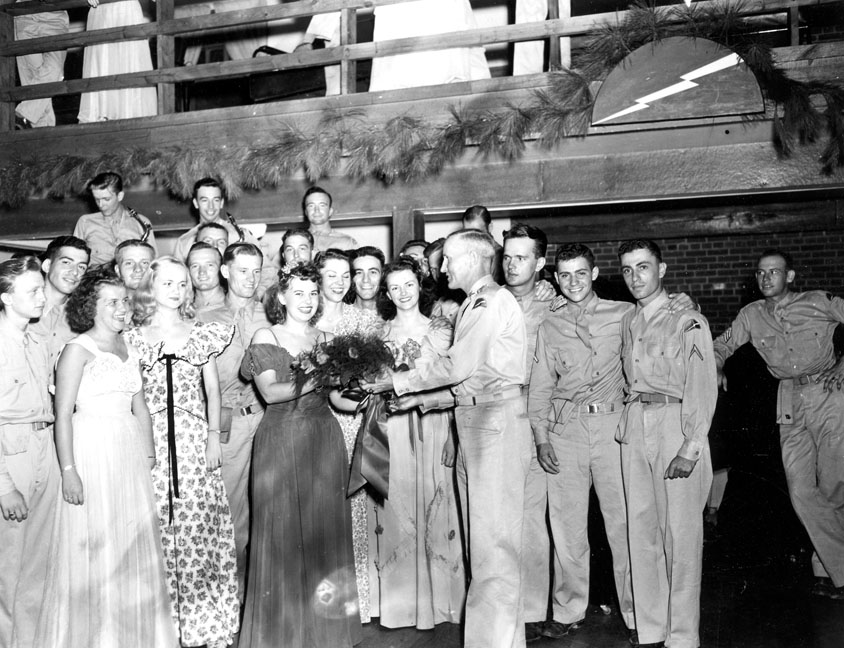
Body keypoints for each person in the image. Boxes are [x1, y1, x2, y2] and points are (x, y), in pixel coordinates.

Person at [367, 229, 533, 648]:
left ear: (476, 259)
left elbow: (457, 366)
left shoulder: (487, 301)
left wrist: (395, 382)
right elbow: (474, 379)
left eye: (449, 260)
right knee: (487, 546)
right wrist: (421, 403)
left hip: (492, 423)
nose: (442, 269)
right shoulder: (474, 305)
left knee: (493, 548)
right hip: (478, 417)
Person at [34, 266, 177, 648]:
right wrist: (69, 471)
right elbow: (63, 414)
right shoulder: (77, 349)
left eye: (124, 300)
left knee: (128, 545)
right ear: (90, 306)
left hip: (127, 453)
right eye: (111, 302)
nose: (121, 308)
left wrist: (148, 455)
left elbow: (141, 407)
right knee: (95, 546)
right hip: (90, 448)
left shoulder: (129, 346)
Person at [239, 262, 361, 648]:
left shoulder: (327, 337)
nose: (307, 301)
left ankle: (324, 634)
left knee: (323, 533)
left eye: (313, 293)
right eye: (299, 293)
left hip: (322, 440)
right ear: (281, 297)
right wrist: (316, 370)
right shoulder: (266, 334)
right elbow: (272, 393)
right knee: (280, 537)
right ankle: (283, 636)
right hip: (279, 440)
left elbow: (338, 399)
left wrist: (367, 394)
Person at [712, 249, 844, 599]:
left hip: (828, 394)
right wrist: (718, 365)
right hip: (788, 400)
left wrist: (843, 367)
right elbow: (719, 346)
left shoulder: (818, 302)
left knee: (833, 488)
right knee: (801, 490)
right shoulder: (751, 315)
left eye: (774, 272)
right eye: (761, 273)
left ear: (790, 276)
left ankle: (826, 571)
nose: (766, 278)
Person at [126, 257, 239, 648]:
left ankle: (205, 626)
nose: (176, 290)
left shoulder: (202, 332)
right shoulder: (133, 336)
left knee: (196, 526)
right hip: (151, 439)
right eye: (167, 283)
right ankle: (162, 629)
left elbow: (212, 391)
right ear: (150, 288)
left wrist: (212, 438)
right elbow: (133, 396)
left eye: (181, 284)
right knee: (156, 526)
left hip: (193, 440)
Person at [527, 243, 636, 643]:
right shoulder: (549, 325)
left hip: (613, 428)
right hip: (565, 431)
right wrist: (541, 438)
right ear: (555, 278)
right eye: (564, 275)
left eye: (580, 273)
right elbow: (539, 388)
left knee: (623, 525)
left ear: (594, 274)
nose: (572, 282)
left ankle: (636, 611)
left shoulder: (624, 314)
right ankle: (569, 608)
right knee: (567, 526)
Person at [617, 239, 716, 648]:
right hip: (636, 422)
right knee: (642, 532)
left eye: (643, 267)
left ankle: (681, 636)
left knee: (682, 537)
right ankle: (651, 628)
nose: (635, 277)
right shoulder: (630, 320)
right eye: (627, 269)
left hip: (677, 423)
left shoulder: (688, 320)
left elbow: (702, 385)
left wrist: (690, 448)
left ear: (662, 270)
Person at [366, 258, 465, 629]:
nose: (403, 293)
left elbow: (454, 383)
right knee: (399, 507)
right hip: (393, 427)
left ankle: (441, 604)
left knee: (438, 507)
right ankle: (403, 607)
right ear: (387, 293)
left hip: (434, 422)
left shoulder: (441, 330)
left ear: (419, 285)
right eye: (395, 287)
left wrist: (454, 434)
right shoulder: (378, 334)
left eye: (409, 284)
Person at [197, 243, 269, 602]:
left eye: (257, 271)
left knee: (269, 507)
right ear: (225, 271)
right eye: (243, 270)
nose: (250, 278)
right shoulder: (204, 320)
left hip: (269, 420)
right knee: (230, 510)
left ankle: (261, 596)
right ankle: (229, 595)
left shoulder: (272, 315)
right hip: (228, 426)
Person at [314, 248, 378, 623]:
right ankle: (322, 603)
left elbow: (371, 375)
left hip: (353, 419)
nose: (339, 283)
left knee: (353, 508)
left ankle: (357, 605)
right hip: (315, 420)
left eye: (345, 275)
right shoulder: (306, 314)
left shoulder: (361, 319)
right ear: (317, 278)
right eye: (331, 275)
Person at [0, 257, 57, 648]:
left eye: (41, 288)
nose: (42, 297)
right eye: (32, 290)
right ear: (6, 297)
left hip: (45, 450)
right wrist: (3, 486)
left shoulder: (38, 342)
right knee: (9, 569)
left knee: (39, 565)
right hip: (11, 455)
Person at [500, 224, 553, 641]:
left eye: (522, 257)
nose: (512, 264)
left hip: (535, 412)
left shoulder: (552, 304)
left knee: (533, 518)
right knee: (498, 517)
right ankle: (504, 606)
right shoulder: (489, 301)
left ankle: (533, 611)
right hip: (493, 413)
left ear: (540, 262)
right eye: (508, 256)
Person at [78, 0, 157, 122]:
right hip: (101, 11)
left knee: (130, 58)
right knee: (101, 60)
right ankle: (101, 115)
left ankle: (132, 116)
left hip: (126, 10)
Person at [30, 236, 91, 371]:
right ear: (47, 266)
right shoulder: (19, 309)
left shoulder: (83, 319)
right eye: (66, 262)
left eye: (81, 267)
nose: (75, 272)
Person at [73, 172, 157, 266]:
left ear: (120, 196)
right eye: (97, 199)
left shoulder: (141, 222)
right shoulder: (85, 222)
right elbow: (74, 259)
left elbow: (153, 261)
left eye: (106, 199)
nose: (101, 205)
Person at [175, 178, 260, 262]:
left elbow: (266, 270)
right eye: (204, 200)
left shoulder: (241, 235)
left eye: (216, 200)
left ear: (221, 203)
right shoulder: (184, 242)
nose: (211, 206)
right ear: (196, 203)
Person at [13, 3, 68, 128]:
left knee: (55, 70)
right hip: (25, 15)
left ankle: (22, 114)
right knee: (33, 78)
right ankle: (45, 138)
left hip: (55, 17)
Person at [303, 186, 358, 252]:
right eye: (311, 206)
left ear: (330, 211)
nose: (316, 210)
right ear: (306, 212)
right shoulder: (296, 240)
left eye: (322, 205)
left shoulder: (347, 242)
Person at [114, 238, 155, 317]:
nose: (138, 269)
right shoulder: (110, 309)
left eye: (145, 263)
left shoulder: (167, 304)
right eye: (129, 263)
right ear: (118, 270)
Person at [462, 205, 503, 283]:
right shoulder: (466, 252)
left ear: (490, 227)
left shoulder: (498, 255)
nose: (472, 238)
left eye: (478, 233)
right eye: (467, 233)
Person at [188, 242, 226, 313]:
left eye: (210, 265)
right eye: (195, 266)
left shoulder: (235, 307)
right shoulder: (182, 309)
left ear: (222, 270)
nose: (202, 272)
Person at [349, 246, 385, 315]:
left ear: (382, 275)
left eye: (373, 272)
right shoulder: (339, 317)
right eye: (359, 273)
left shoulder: (395, 317)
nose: (366, 280)